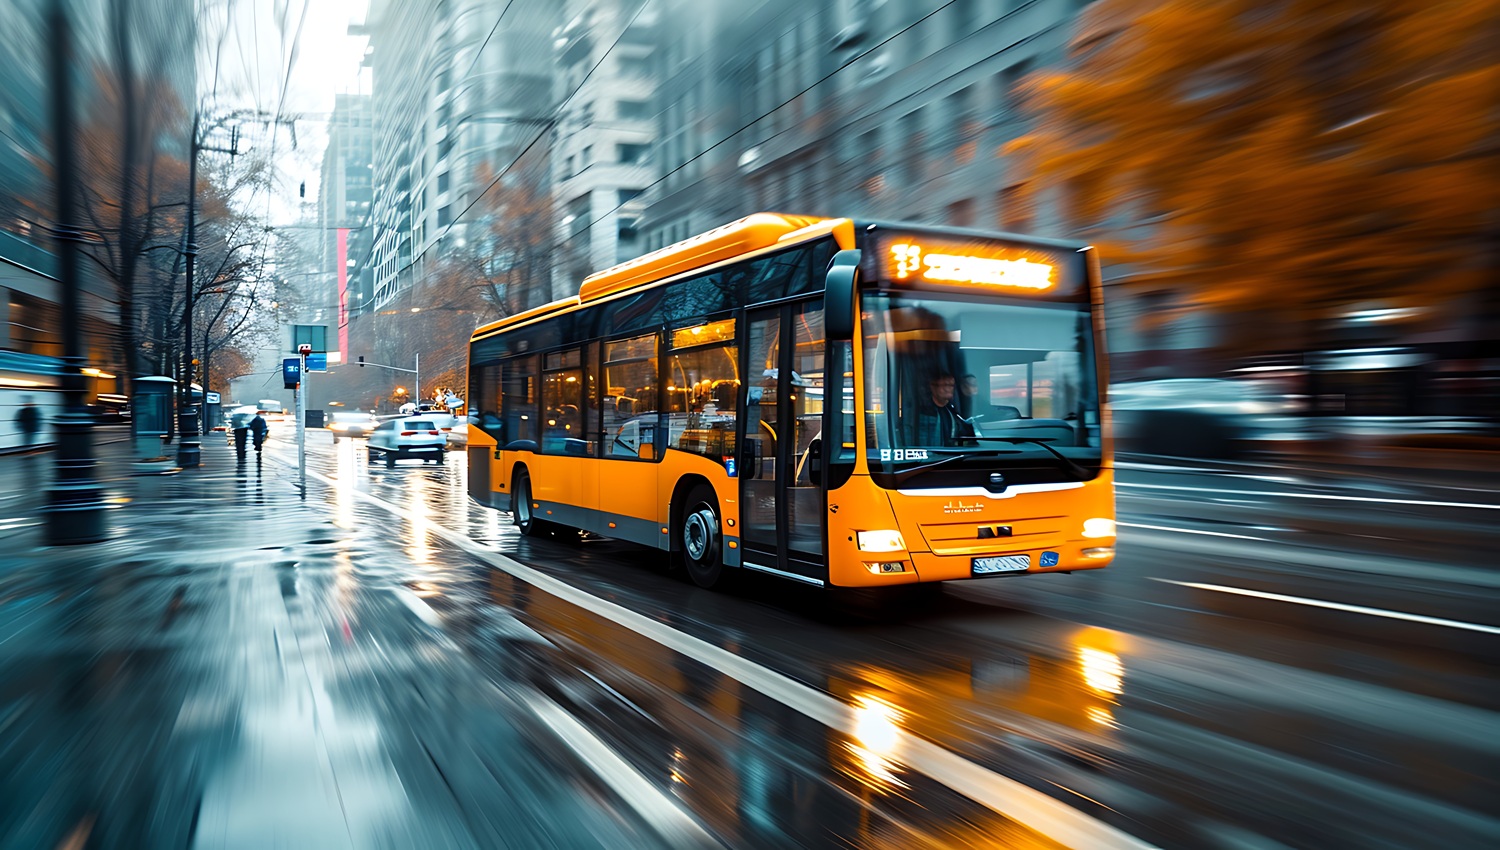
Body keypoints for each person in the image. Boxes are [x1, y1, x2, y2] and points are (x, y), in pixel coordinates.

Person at [904, 371, 975, 447]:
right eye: (946, 385)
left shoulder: (953, 412)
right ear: (933, 387)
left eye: (952, 385)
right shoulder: (923, 412)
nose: (949, 389)